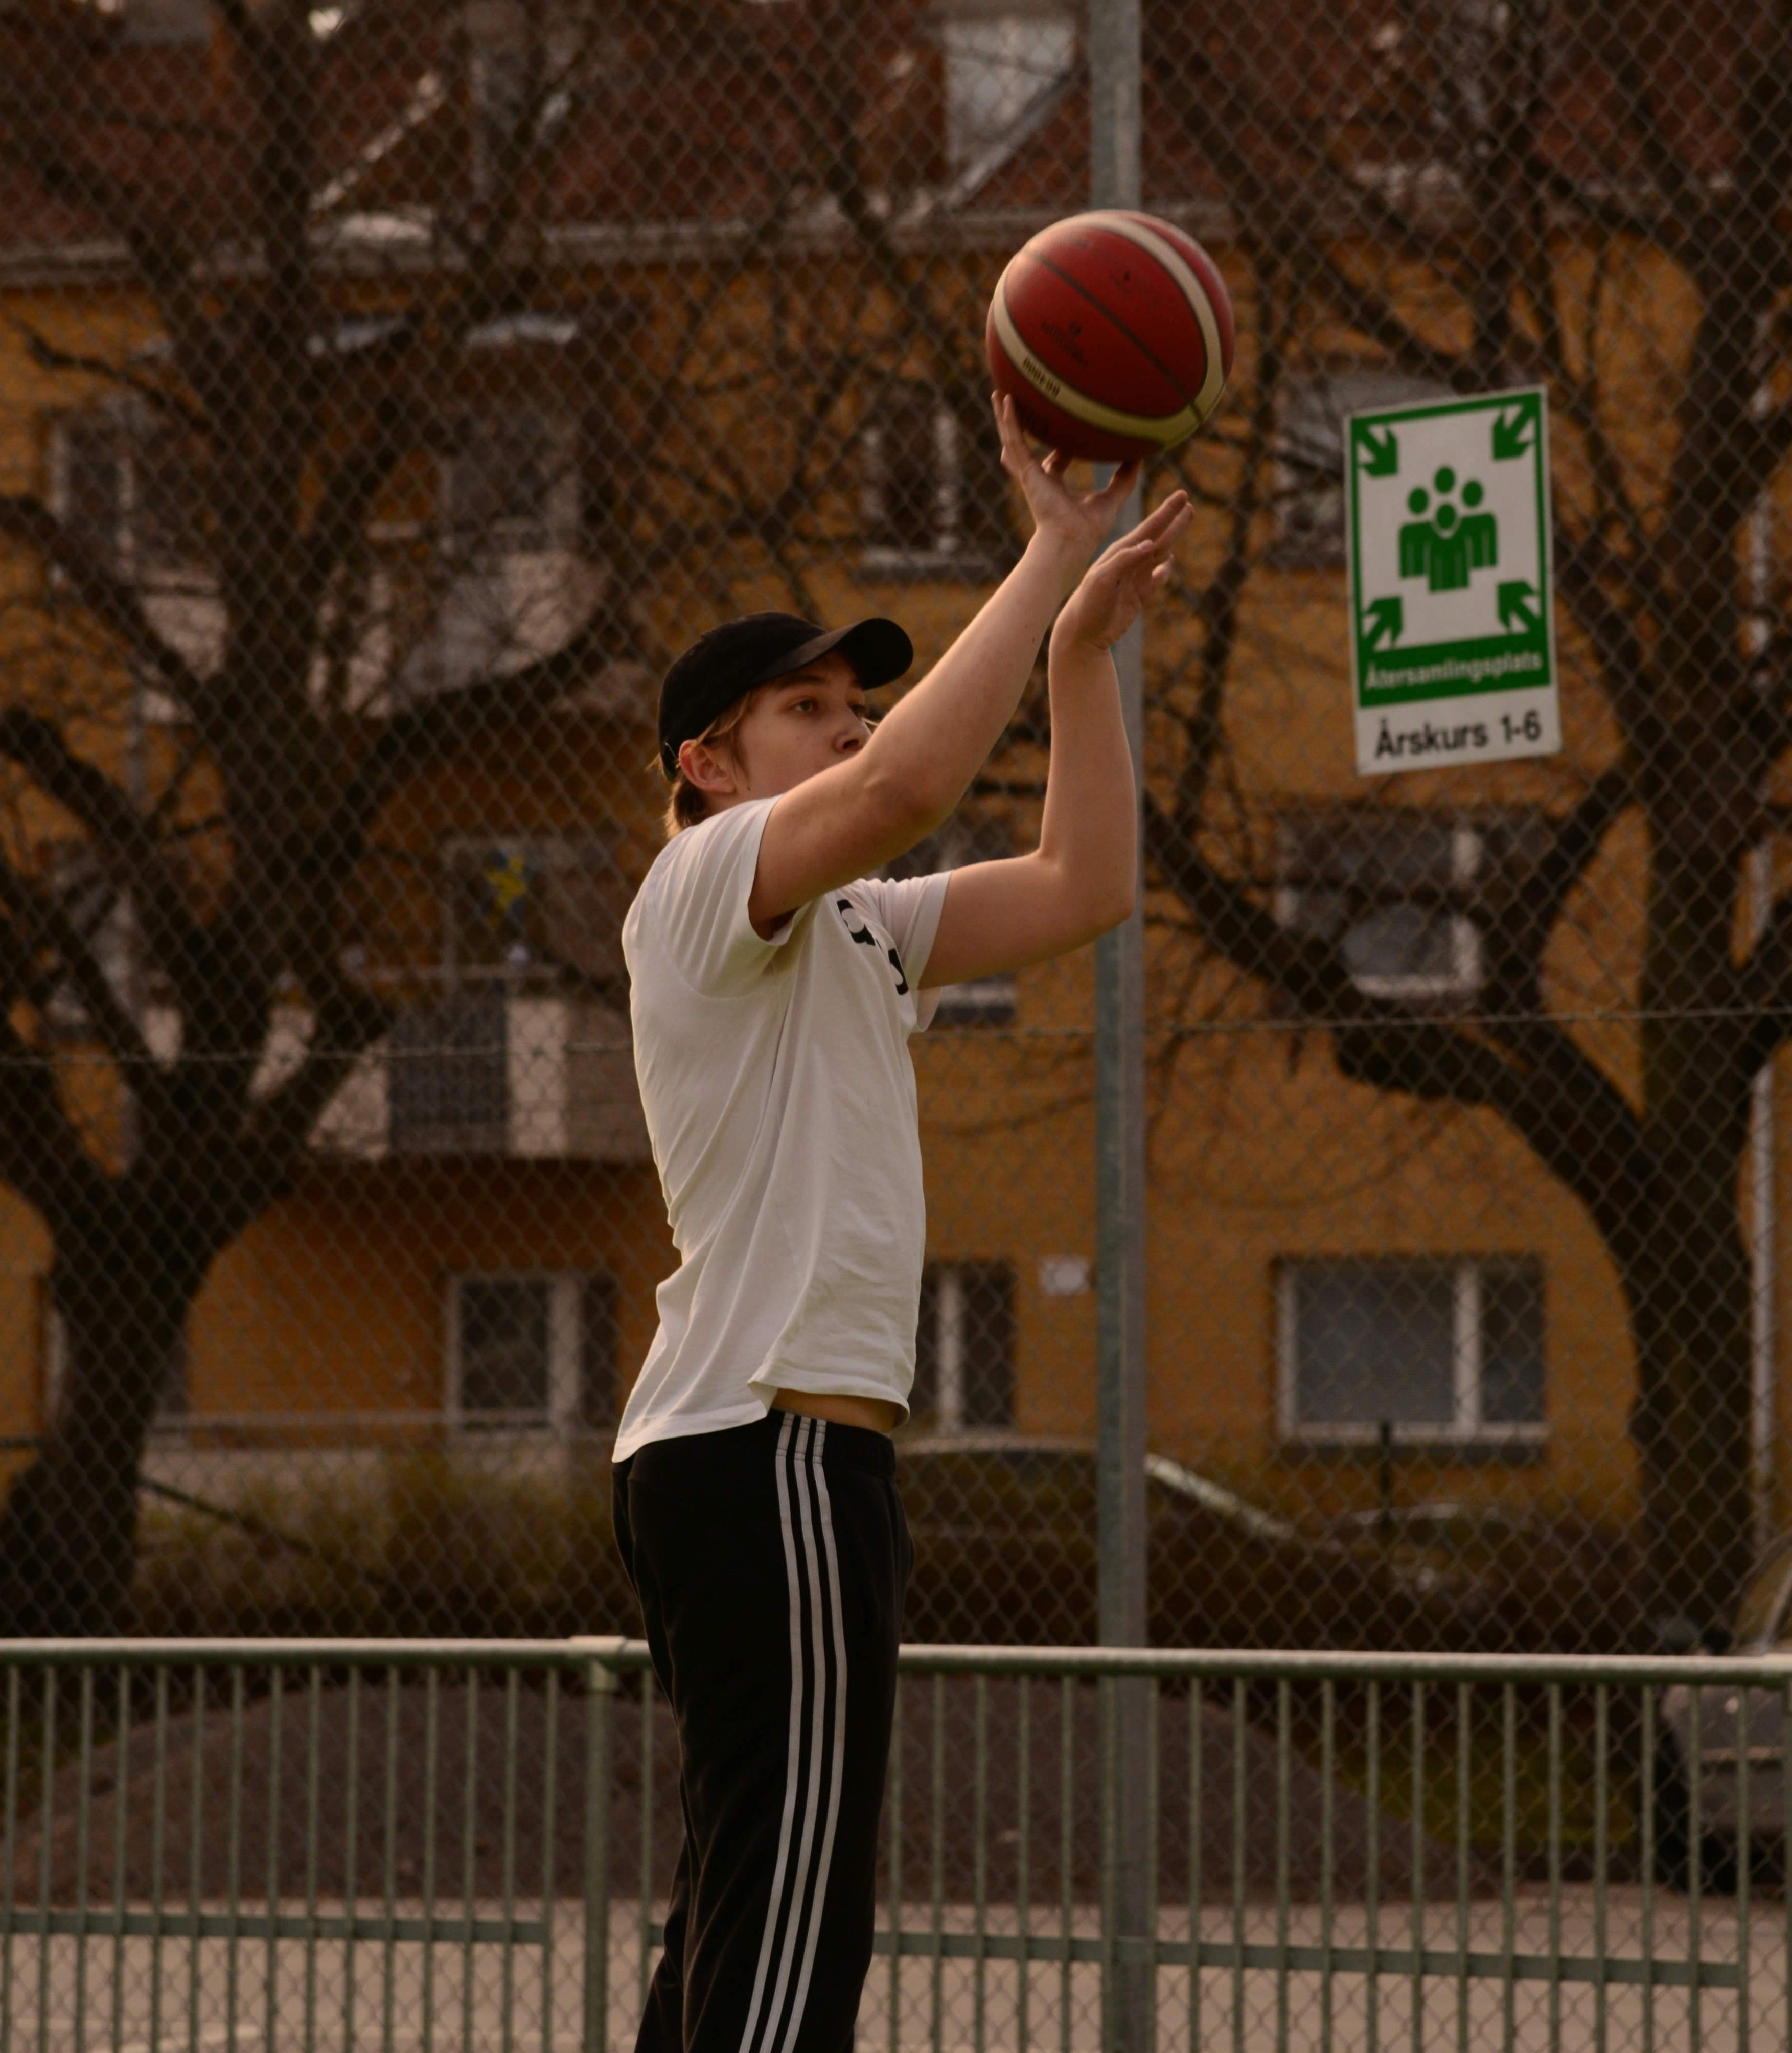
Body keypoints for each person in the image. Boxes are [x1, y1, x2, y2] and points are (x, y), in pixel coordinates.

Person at [612, 392, 1190, 2053]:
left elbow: (1084, 881)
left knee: (750, 1897)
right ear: (708, 765)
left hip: (783, 1452)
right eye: (807, 711)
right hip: (766, 1442)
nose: (850, 731)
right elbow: (921, 782)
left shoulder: (852, 927)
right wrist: (1046, 545)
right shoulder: (708, 884)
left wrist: (1079, 651)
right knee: (800, 1921)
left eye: (853, 704)